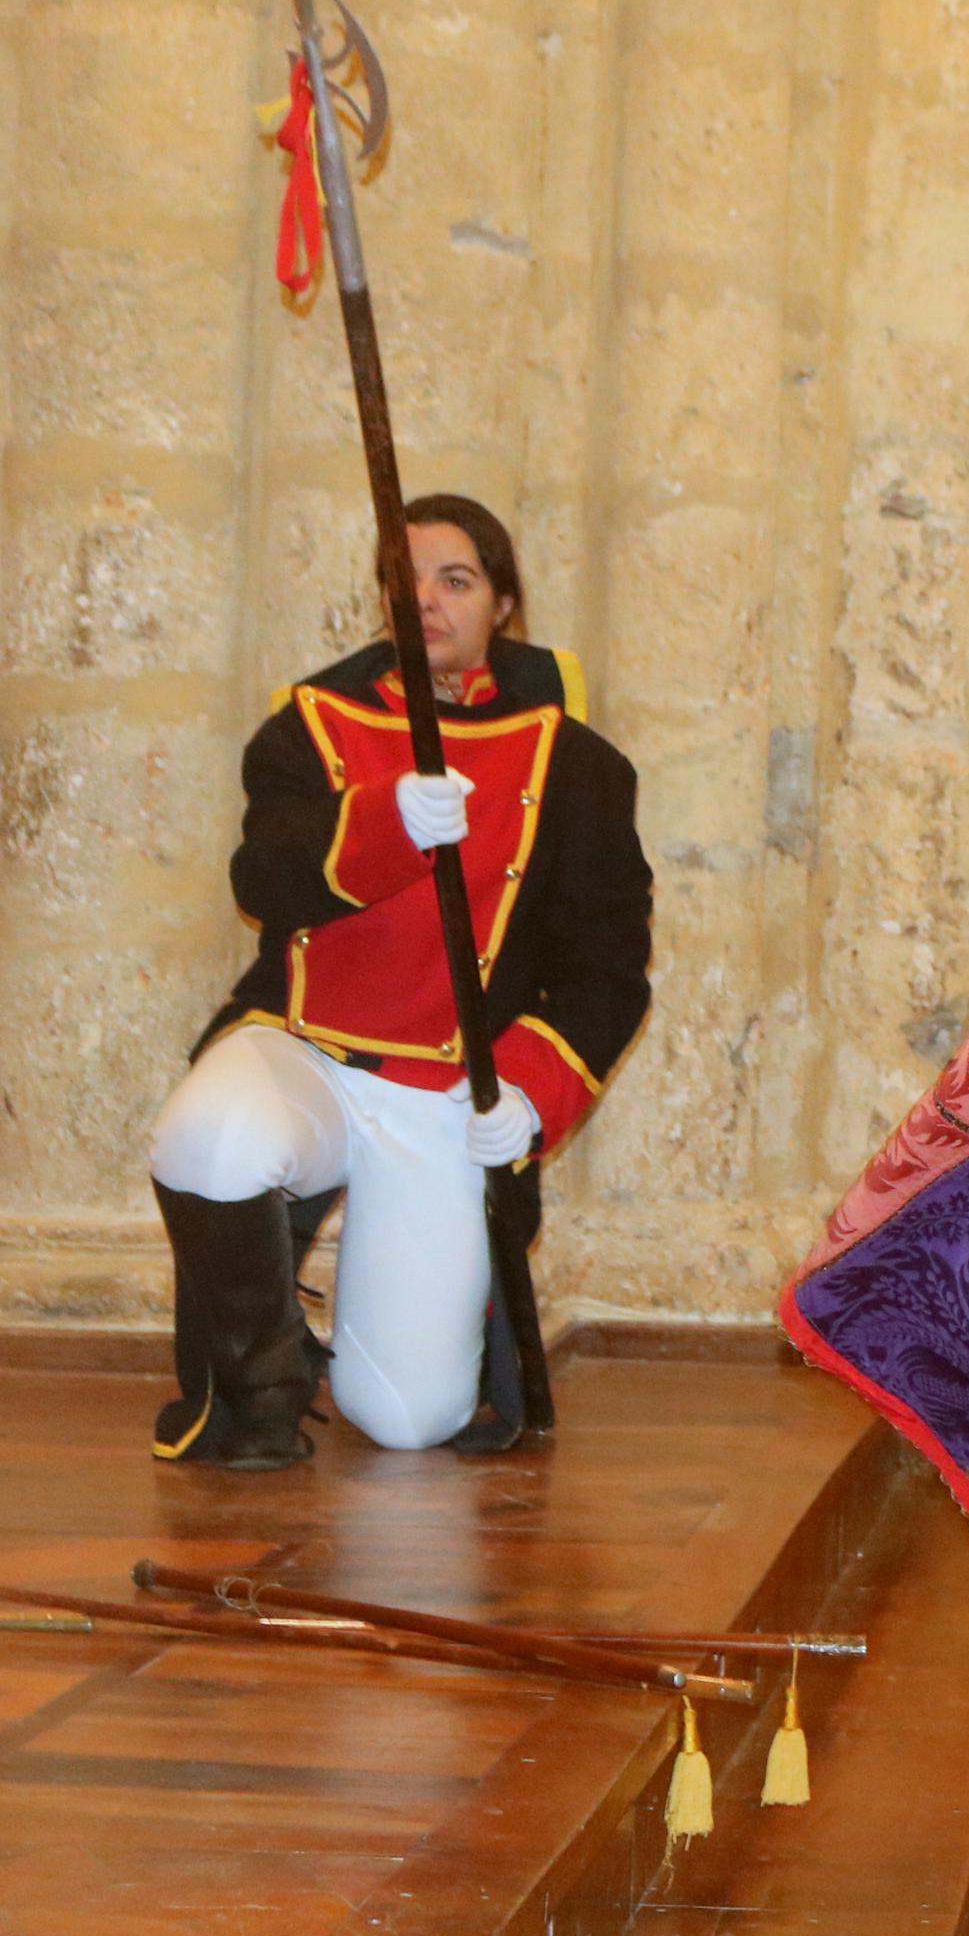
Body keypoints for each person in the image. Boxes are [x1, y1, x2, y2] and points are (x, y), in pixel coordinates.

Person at [145, 495, 654, 1463]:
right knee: (206, 1137)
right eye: (403, 578)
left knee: (410, 1419)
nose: (424, 599)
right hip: (304, 1050)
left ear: (503, 602)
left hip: (445, 1095)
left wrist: (532, 1090)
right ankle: (262, 1386)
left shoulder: (581, 770)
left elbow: (607, 969)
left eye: (454, 579)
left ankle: (374, 1332)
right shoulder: (306, 730)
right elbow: (262, 878)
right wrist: (379, 826)